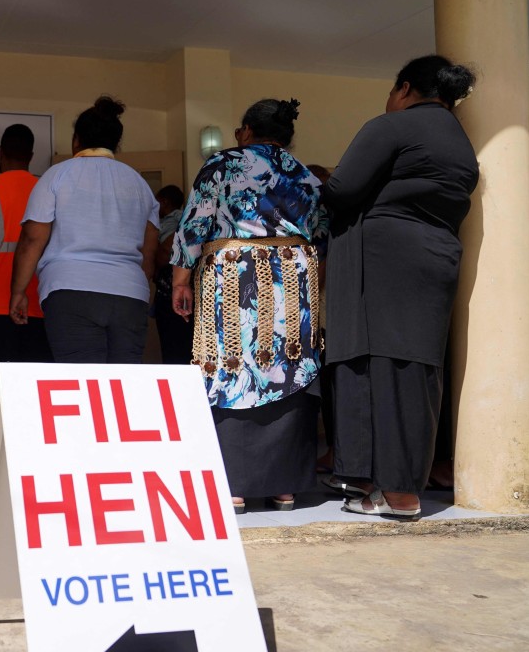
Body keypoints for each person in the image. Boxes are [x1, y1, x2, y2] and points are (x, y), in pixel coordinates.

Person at [322, 55, 479, 521]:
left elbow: (341, 190)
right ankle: (401, 486)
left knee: (380, 365)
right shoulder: (460, 142)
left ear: (405, 89)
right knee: (416, 369)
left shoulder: (392, 126)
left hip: (385, 259)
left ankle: (392, 493)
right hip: (436, 258)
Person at [171, 99, 327, 514]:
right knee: (288, 364)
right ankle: (284, 488)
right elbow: (322, 232)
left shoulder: (223, 165)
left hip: (235, 276)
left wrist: (181, 278)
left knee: (232, 365)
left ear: (245, 131)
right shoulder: (306, 174)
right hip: (293, 282)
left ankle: (235, 486)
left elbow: (194, 224)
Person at [10, 96, 159, 364]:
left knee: (82, 384)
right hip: (129, 294)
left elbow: (33, 239)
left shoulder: (56, 175)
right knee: (124, 386)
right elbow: (149, 255)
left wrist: (18, 292)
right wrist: (138, 290)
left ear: (76, 139)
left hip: (70, 292)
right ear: (116, 142)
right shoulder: (139, 184)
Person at [0, 124, 52, 474]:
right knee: (34, 394)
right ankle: (31, 459)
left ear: (1, 152)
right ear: (32, 155)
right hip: (36, 305)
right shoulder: (46, 189)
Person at [151, 184, 193, 364]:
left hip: (174, 293)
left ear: (165, 202)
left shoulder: (174, 221)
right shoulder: (186, 219)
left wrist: (155, 260)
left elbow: (165, 252)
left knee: (175, 350)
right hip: (183, 291)